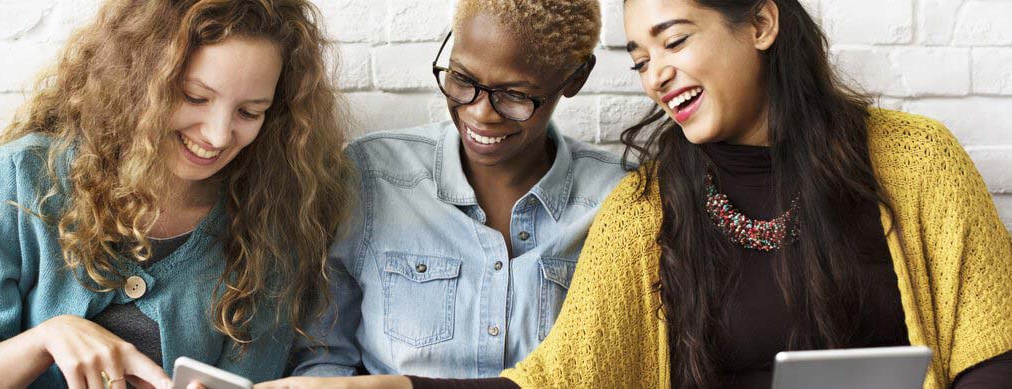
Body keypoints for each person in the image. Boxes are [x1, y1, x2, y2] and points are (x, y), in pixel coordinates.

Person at [272, 0, 1012, 388]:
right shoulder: (647, 208)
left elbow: (993, 356)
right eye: (642, 56)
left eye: (675, 39)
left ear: (759, 21)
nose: (656, 73)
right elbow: (553, 382)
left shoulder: (916, 163)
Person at [0, 0, 351, 387]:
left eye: (249, 112)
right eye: (194, 97)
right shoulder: (24, 178)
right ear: (140, 81)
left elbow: (250, 379)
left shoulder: (276, 213)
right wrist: (49, 338)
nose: (218, 136)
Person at [285, 0, 628, 384]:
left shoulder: (619, 200)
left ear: (575, 79)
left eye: (514, 94)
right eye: (462, 79)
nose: (480, 113)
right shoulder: (372, 175)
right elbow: (324, 357)